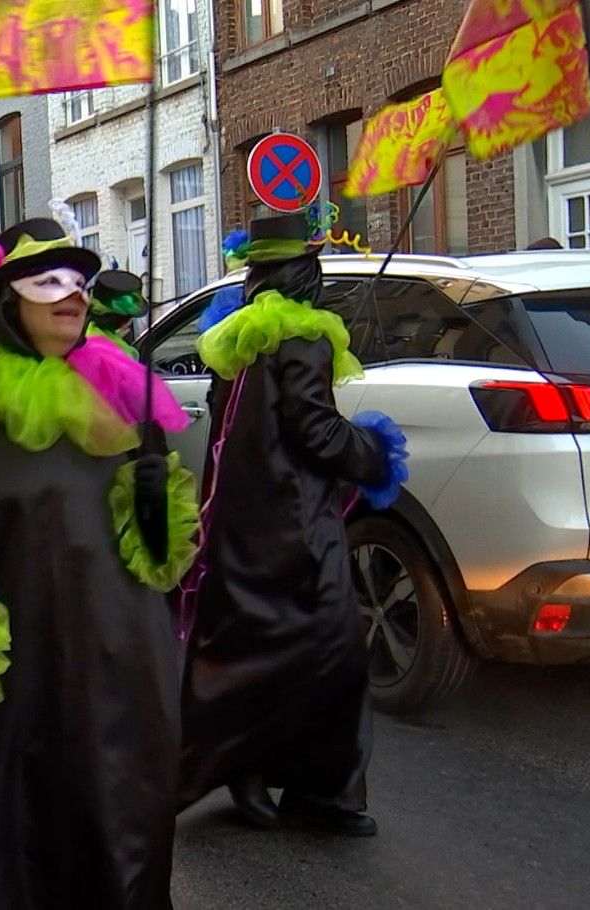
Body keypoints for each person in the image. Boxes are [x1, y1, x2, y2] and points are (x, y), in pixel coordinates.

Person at [0, 218, 197, 909]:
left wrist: (156, 518)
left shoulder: (125, 391)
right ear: (11, 301)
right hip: (6, 665)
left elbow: (160, 564)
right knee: (0, 825)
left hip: (113, 660)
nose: (72, 296)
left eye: (79, 283)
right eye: (50, 282)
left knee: (111, 815)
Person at [179, 211, 409, 837]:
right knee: (331, 656)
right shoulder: (304, 337)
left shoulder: (241, 336)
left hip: (241, 524)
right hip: (296, 527)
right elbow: (315, 430)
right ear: (305, 273)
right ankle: (318, 792)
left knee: (254, 651)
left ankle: (250, 769)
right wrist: (374, 452)